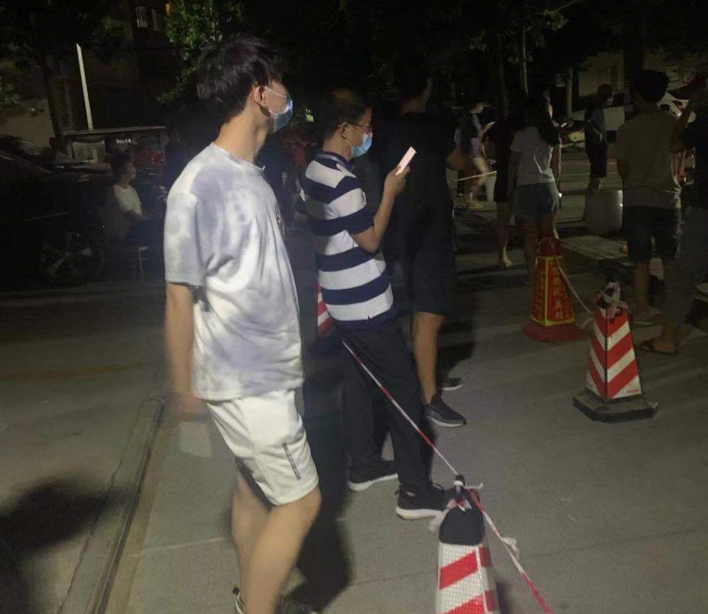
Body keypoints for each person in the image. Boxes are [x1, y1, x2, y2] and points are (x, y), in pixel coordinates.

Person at [163, 36, 321, 614]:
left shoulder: (251, 173)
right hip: (250, 381)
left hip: (270, 371)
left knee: (253, 491)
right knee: (301, 503)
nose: (285, 94)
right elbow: (178, 296)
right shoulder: (199, 185)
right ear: (259, 93)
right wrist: (184, 387)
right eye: (277, 83)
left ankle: (256, 600)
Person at [302, 89, 450, 519]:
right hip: (365, 303)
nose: (369, 134)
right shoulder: (342, 180)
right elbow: (369, 240)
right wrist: (388, 192)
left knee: (357, 378)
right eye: (364, 127)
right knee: (404, 388)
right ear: (344, 129)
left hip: (338, 297)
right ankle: (414, 491)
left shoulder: (312, 170)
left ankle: (363, 464)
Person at [376, 52, 476, 428]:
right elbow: (460, 162)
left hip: (402, 230)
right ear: (428, 87)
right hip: (430, 232)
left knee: (420, 308)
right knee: (430, 313)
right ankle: (429, 397)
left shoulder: (388, 130)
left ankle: (427, 375)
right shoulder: (429, 127)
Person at [641, 82, 708, 354]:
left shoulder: (704, 120)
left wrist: (690, 108)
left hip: (705, 207)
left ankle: (667, 337)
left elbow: (675, 144)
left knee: (685, 273)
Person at [614, 70, 681, 325]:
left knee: (640, 260)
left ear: (637, 96)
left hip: (638, 199)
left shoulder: (628, 129)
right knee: (670, 259)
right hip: (668, 199)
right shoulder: (673, 124)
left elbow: (623, 168)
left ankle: (642, 311)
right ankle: (671, 310)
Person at [508, 96, 562, 285]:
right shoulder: (552, 134)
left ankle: (532, 273)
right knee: (549, 232)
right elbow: (557, 166)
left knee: (530, 234)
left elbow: (513, 165)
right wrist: (558, 187)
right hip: (548, 185)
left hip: (526, 186)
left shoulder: (521, 135)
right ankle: (555, 271)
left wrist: (509, 187)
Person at [486, 109, 522, 269]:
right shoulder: (526, 127)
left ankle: (502, 256)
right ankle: (531, 258)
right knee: (527, 220)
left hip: (503, 174)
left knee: (503, 219)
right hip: (523, 176)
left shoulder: (499, 126)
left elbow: (490, 151)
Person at [455, 100, 489, 208]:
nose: (483, 107)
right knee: (484, 172)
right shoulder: (469, 118)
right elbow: (474, 135)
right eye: (481, 104)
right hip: (472, 150)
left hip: (469, 149)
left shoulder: (468, 117)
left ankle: (470, 199)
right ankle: (470, 197)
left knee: (472, 176)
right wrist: (485, 129)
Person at [584, 83, 614, 192]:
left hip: (596, 146)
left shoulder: (596, 108)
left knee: (596, 172)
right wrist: (597, 134)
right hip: (597, 146)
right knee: (599, 173)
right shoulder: (594, 109)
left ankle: (592, 190)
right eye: (611, 97)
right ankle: (593, 191)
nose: (612, 100)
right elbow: (587, 124)